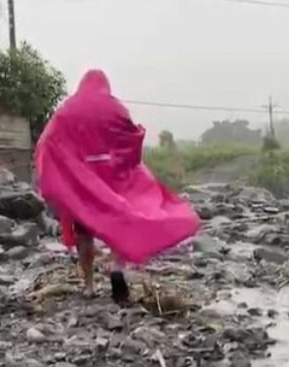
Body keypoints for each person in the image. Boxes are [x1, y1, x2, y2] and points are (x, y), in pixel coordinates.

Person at [34, 70, 201, 302]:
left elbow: (49, 139)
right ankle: (117, 269)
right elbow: (130, 138)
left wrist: (59, 168)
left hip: (83, 184)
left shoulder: (68, 109)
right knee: (119, 223)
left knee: (84, 234)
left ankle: (89, 285)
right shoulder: (116, 108)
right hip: (113, 180)